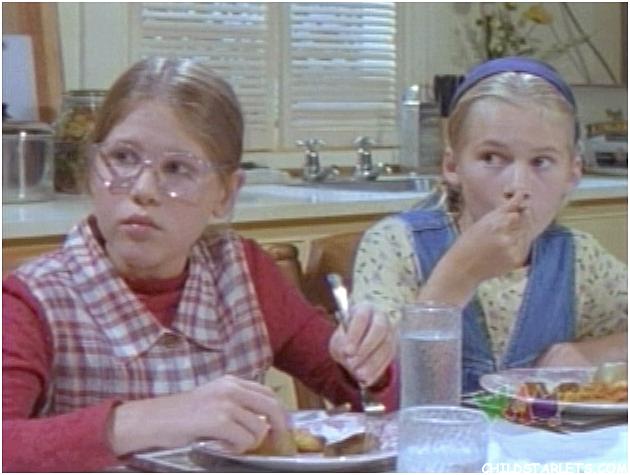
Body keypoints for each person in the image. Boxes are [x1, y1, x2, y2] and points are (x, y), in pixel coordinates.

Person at [2, 57, 398, 472]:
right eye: (122, 157)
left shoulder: (243, 275)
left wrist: (369, 363)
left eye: (177, 168)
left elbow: (382, 406)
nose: (143, 189)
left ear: (225, 194)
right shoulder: (34, 300)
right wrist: (149, 420)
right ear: (90, 168)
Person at [351, 57, 627, 392]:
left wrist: (591, 354)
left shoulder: (579, 258)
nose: (517, 186)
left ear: (572, 173)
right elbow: (378, 382)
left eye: (541, 162)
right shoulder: (396, 244)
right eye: (492, 158)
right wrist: (460, 275)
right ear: (452, 166)